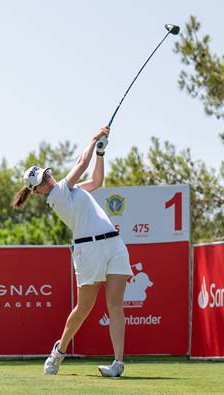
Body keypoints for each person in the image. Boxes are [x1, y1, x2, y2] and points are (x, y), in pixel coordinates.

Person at [11, 126, 133, 377]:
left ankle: (118, 363)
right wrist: (92, 139)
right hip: (88, 250)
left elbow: (97, 181)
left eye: (47, 175)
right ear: (38, 192)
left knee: (116, 305)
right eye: (42, 181)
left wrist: (100, 152)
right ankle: (58, 353)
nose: (48, 180)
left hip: (114, 244)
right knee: (84, 308)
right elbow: (81, 162)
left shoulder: (71, 191)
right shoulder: (57, 196)